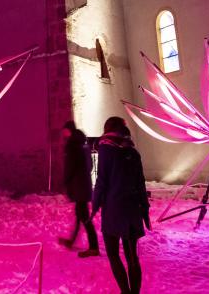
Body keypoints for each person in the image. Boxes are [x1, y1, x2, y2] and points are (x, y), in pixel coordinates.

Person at [92, 117, 149, 294]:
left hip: (114, 211)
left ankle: (125, 292)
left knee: (113, 254)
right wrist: (144, 210)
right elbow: (141, 183)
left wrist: (94, 205)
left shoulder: (106, 150)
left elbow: (102, 181)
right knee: (132, 258)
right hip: (132, 211)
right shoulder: (133, 152)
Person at [58, 120, 99, 257]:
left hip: (78, 186)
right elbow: (90, 165)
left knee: (84, 217)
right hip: (84, 184)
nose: (63, 134)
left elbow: (70, 167)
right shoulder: (84, 143)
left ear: (68, 130)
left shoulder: (72, 145)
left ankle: (94, 247)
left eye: (64, 131)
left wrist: (66, 181)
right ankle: (72, 240)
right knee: (79, 214)